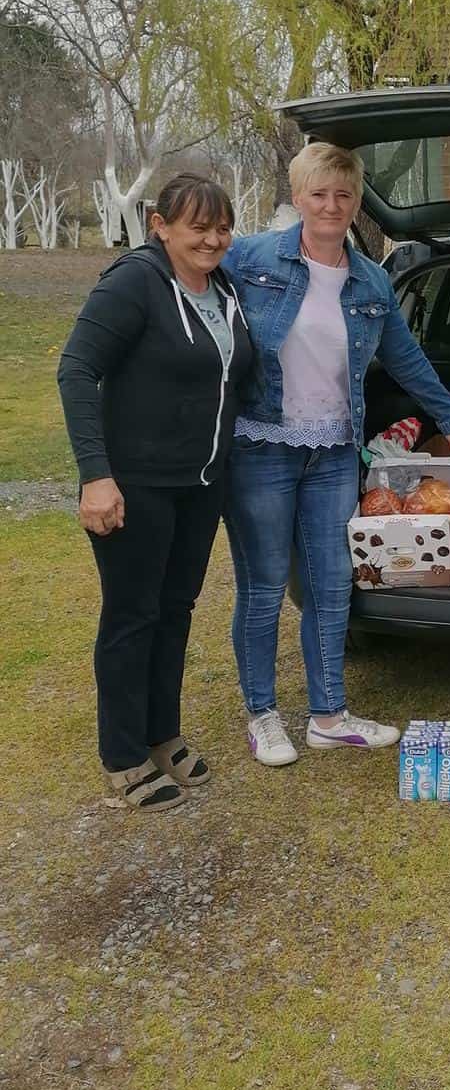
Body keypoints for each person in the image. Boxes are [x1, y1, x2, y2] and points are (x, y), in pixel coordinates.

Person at [221, 142, 450, 767]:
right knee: (263, 585)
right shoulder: (251, 257)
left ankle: (328, 716)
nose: (331, 206)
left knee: (332, 582)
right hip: (261, 446)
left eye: (343, 195)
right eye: (318, 194)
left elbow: (405, 356)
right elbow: (189, 276)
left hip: (336, 449)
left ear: (356, 201)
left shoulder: (371, 280)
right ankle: (263, 716)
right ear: (298, 198)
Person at [57, 174, 253, 811]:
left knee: (175, 610)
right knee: (132, 615)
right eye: (198, 227)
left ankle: (161, 734)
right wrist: (96, 475)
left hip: (200, 485)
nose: (213, 239)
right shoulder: (134, 283)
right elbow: (76, 369)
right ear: (160, 226)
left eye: (222, 228)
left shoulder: (223, 288)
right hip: (135, 484)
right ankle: (122, 756)